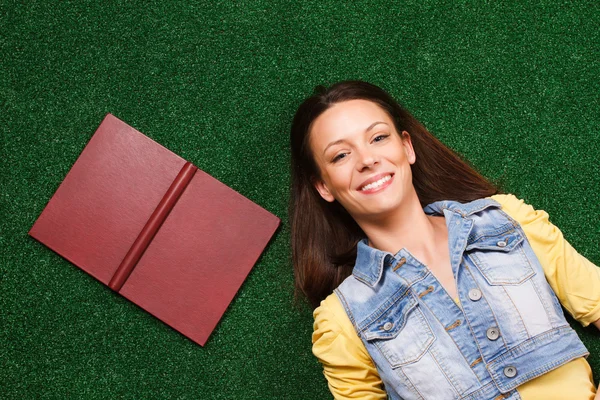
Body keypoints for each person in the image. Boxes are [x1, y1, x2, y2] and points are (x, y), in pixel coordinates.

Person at [289, 81, 600, 400]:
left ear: (406, 147)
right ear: (323, 186)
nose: (367, 160)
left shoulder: (507, 220)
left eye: (379, 138)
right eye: (340, 155)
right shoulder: (341, 320)